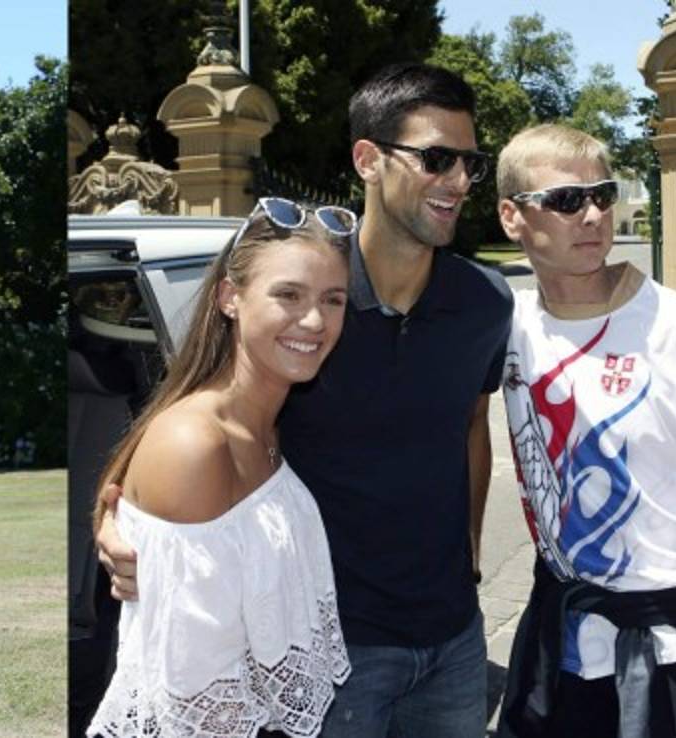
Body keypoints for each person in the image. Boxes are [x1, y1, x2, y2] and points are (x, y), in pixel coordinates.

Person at [96, 63, 514, 738]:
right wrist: (116, 526)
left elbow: (471, 422)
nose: (460, 182)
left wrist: (467, 555)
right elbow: (189, 420)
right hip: (328, 654)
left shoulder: (486, 303)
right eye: (437, 159)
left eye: (470, 163)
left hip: (456, 643)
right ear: (368, 159)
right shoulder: (304, 293)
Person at [494, 123, 676, 738]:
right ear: (512, 218)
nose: (593, 213)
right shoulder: (505, 326)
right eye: (567, 200)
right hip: (565, 650)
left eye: (602, 194)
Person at [87, 198, 357, 737]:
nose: (314, 320)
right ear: (231, 298)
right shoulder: (196, 444)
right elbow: (199, 700)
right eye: (288, 295)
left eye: (333, 299)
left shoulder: (272, 420)